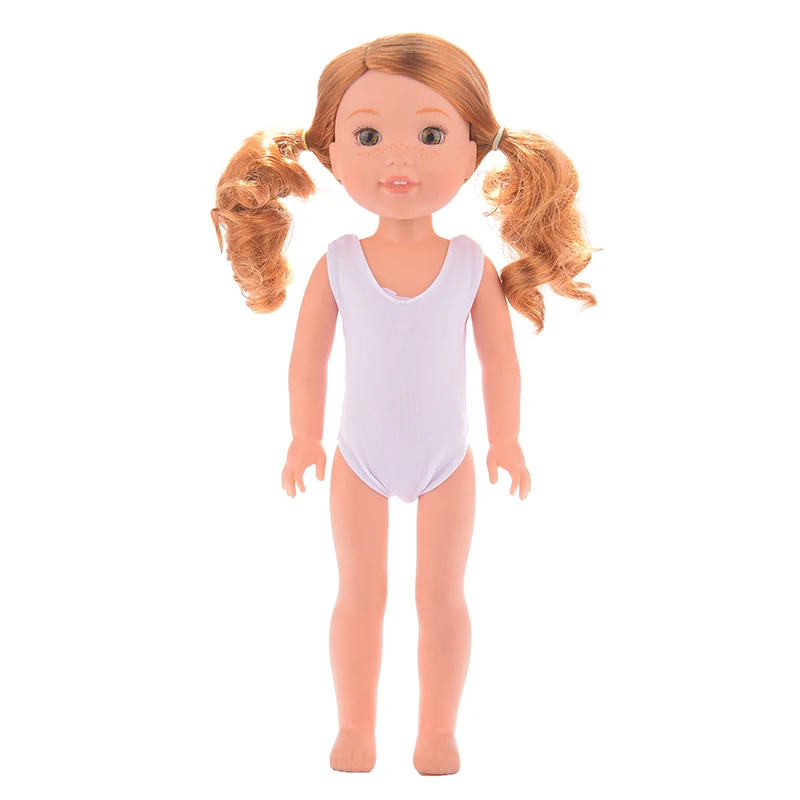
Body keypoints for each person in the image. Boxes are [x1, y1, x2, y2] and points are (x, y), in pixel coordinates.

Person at [211, 32, 597, 776]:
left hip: (447, 461)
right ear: (331, 152)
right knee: (359, 595)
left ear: (475, 151)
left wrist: (506, 440)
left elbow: (500, 361)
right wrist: (303, 438)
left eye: (429, 136)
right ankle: (355, 725)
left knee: (441, 597)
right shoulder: (338, 263)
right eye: (367, 137)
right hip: (358, 459)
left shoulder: (469, 264)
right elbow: (307, 360)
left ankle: (438, 730)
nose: (399, 159)